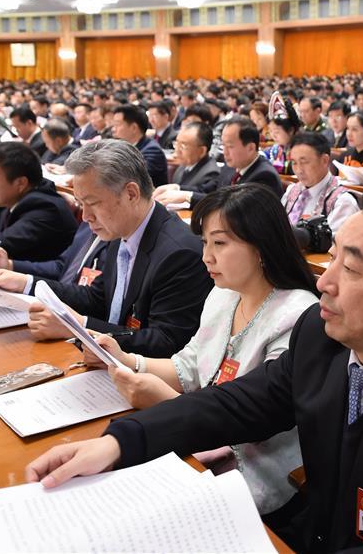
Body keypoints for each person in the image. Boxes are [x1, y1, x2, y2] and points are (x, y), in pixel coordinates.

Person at [24, 182, 363, 554]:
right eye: (333, 262)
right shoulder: (321, 336)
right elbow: (235, 403)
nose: (324, 284)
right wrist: (118, 442)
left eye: (350, 269)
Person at [86, 184, 318, 516]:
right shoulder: (223, 295)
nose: (206, 256)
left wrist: (168, 402)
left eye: (220, 243)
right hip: (199, 438)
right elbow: (191, 365)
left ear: (263, 246)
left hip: (255, 465)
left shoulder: (296, 316)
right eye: (205, 242)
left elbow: (259, 415)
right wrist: (127, 360)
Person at [0, 139, 211, 356]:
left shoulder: (179, 253)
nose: (85, 217)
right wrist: (25, 283)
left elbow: (167, 343)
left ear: (131, 193)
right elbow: (98, 298)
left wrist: (80, 327)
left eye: (92, 204)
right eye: (80, 204)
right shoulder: (121, 230)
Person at [282, 133, 359, 232]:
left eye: (304, 162)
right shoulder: (292, 190)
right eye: (294, 163)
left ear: (324, 160)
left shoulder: (342, 201)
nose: (299, 170)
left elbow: (335, 243)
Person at [111, 104, 168, 188]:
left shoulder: (152, 151)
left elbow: (133, 178)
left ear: (134, 128)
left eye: (117, 124)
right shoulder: (123, 146)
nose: (113, 129)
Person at [169, 123, 219, 192]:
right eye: (177, 143)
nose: (177, 150)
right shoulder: (185, 163)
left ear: (202, 151)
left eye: (183, 145)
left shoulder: (210, 174)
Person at [265, 106, 301, 175]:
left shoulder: (302, 147)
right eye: (270, 131)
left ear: (291, 130)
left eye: (276, 132)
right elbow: (264, 154)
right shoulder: (278, 148)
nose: (273, 136)